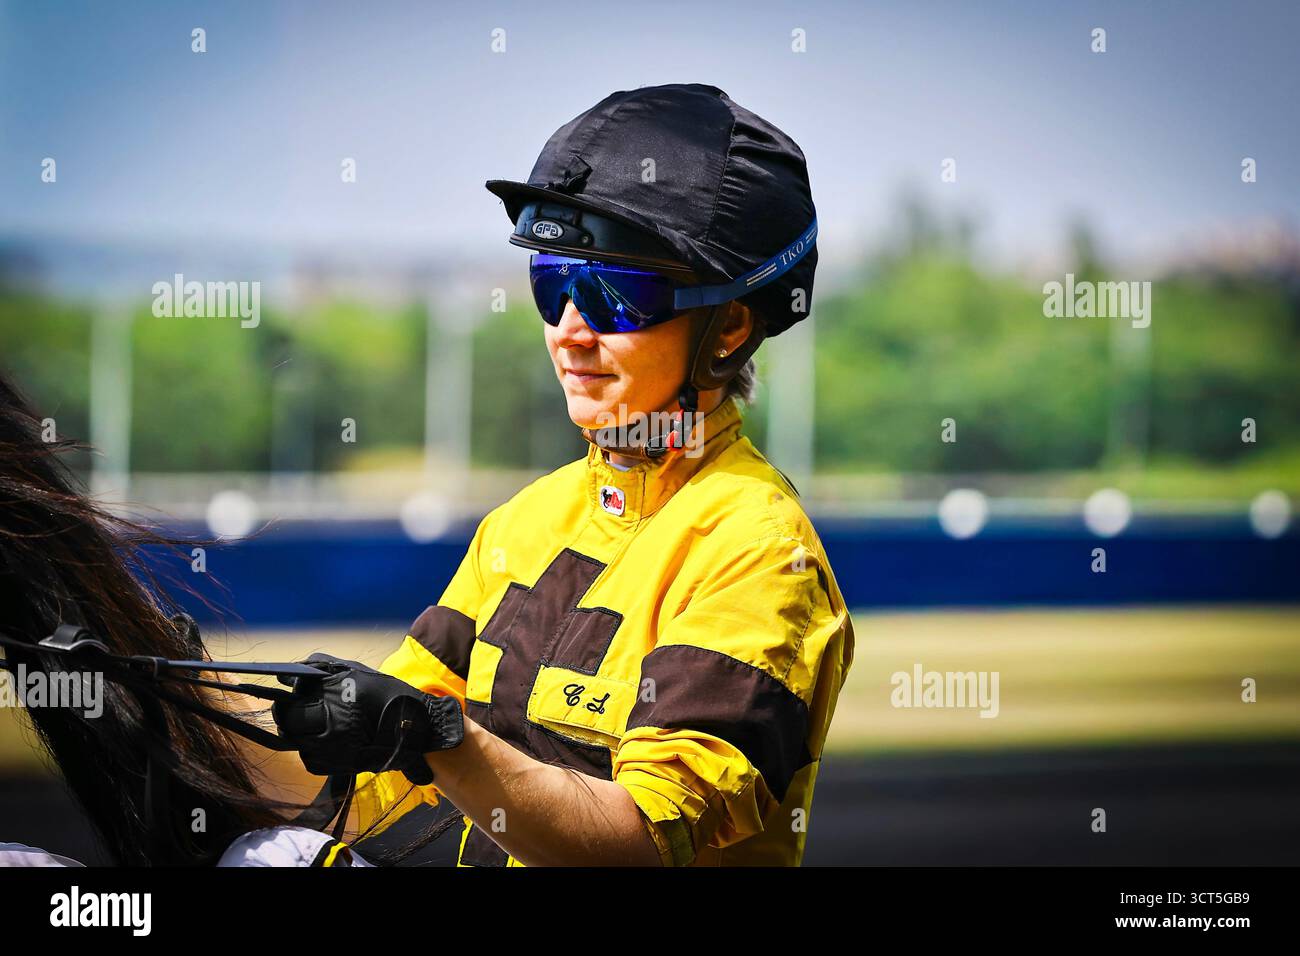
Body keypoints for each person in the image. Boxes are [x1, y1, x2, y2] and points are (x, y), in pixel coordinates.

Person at [273, 83, 856, 867]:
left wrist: (437, 736)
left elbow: (639, 843)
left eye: (617, 295)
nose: (570, 332)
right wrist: (154, 700)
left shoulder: (756, 548)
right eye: (553, 285)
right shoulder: (523, 523)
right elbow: (355, 784)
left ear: (732, 327)